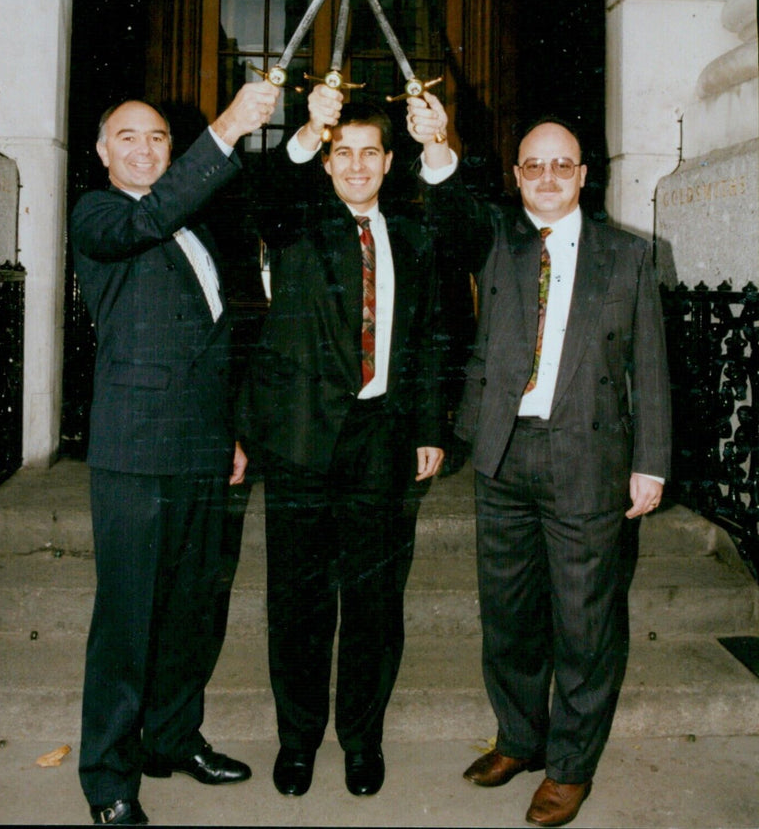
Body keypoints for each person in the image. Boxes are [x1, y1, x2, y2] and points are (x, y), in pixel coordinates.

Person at [406, 93, 671, 828]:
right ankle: (520, 737)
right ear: (518, 177)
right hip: (504, 454)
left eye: (562, 165)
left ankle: (570, 765)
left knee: (586, 625)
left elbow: (649, 365)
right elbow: (451, 217)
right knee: (510, 615)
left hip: (589, 457)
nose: (547, 177)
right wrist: (436, 149)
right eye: (533, 167)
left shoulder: (628, 255)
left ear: (584, 175)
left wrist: (650, 463)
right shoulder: (501, 240)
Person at [71, 83, 280, 827]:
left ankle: (171, 736)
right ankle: (107, 778)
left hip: (197, 447)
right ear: (103, 153)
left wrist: (225, 434)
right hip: (134, 452)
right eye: (128, 137)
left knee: (194, 608)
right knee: (129, 620)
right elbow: (150, 217)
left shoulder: (193, 228)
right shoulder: (101, 216)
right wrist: (226, 128)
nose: (146, 148)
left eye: (159, 137)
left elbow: (208, 343)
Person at [237, 85, 445, 799]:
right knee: (297, 602)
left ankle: (363, 740)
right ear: (326, 164)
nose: (355, 166)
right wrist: (301, 134)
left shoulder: (415, 238)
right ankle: (297, 742)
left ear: (389, 163)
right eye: (341, 153)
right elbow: (258, 191)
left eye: (369, 154)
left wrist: (427, 429)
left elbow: (430, 339)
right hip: (300, 438)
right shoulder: (296, 220)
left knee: (374, 602)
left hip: (381, 437)